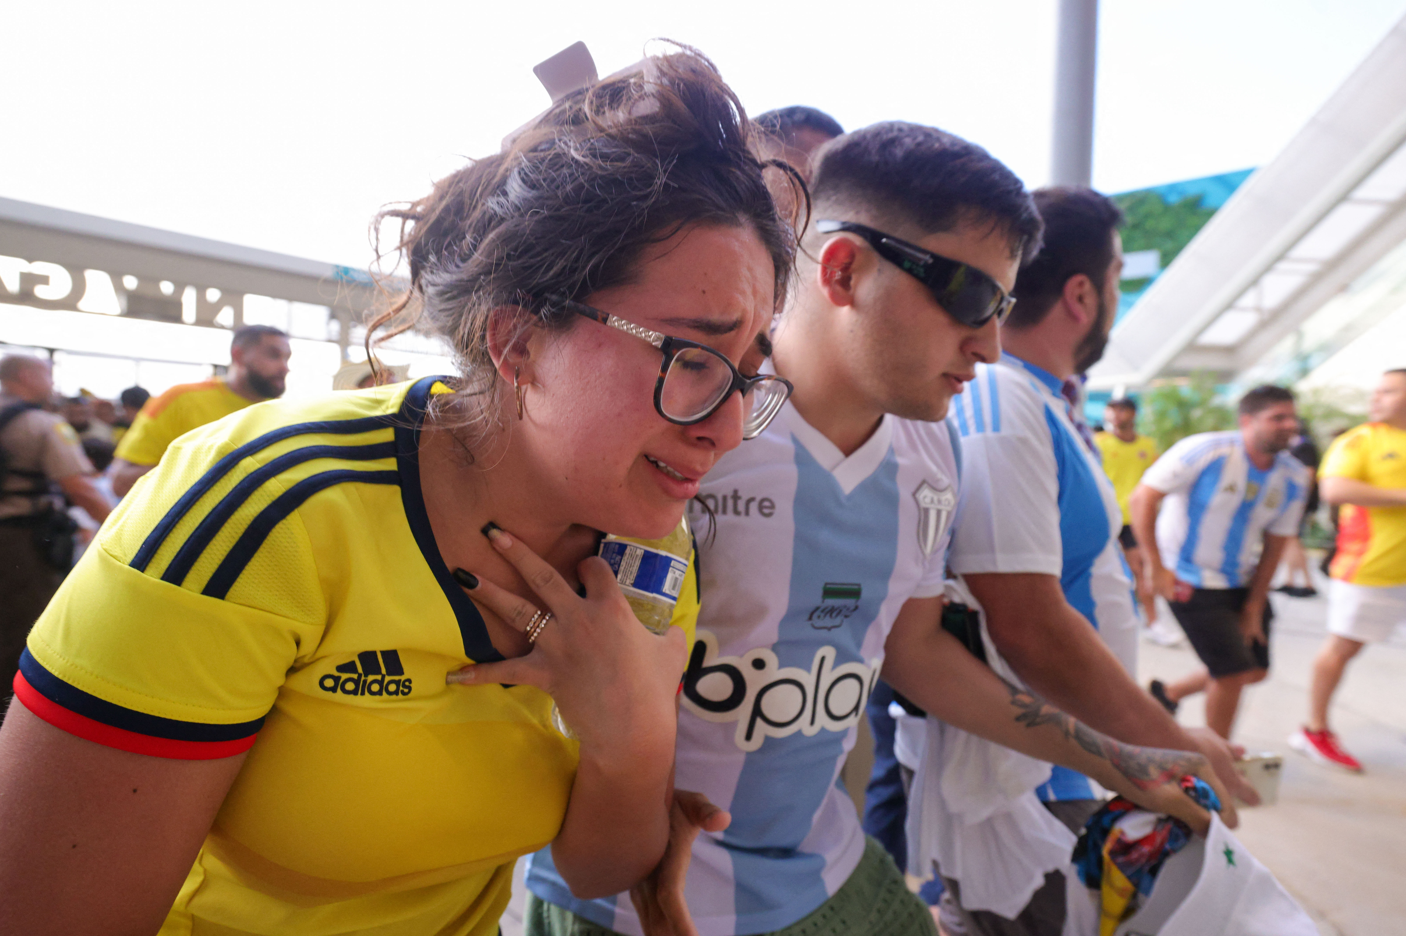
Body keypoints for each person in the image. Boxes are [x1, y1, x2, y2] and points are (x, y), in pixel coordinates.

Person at [0, 48, 795, 936]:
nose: (725, 429)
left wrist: (633, 732)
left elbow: (600, 864)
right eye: (692, 359)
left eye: (750, 375)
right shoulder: (270, 510)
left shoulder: (650, 548)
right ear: (519, 342)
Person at [525, 124, 1230, 936]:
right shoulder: (690, 419)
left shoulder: (934, 446)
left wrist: (1123, 761)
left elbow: (915, 648)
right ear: (843, 268)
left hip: (830, 875)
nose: (991, 344)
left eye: (1002, 306)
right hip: (628, 899)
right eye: (970, 298)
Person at [938, 186, 1250, 936]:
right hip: (1040, 784)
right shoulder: (1004, 402)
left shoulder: (1042, 401)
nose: (1115, 297)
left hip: (1079, 765)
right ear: (1082, 293)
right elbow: (1027, 624)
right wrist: (1171, 746)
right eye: (1115, 280)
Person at [1131, 386, 1309, 739]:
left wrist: (1255, 604)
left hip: (1240, 581)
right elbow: (1143, 498)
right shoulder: (1207, 450)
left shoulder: (1293, 476)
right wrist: (1155, 566)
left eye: (1291, 417)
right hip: (1188, 578)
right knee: (1231, 673)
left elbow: (1276, 545)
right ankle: (1217, 762)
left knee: (1256, 669)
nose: (1289, 425)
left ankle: (1166, 695)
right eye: (1278, 417)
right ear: (1247, 420)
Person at [1291, 369, 1406, 772]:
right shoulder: (1359, 440)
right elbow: (1334, 490)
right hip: (1370, 568)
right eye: (1377, 390)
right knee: (1343, 648)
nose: (1377, 398)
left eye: (1389, 391)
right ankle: (1314, 729)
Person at [0, 355, 111, 704]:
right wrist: (117, 528)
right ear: (26, 375)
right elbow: (80, 487)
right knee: (22, 625)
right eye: (47, 374)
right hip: (18, 537)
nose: (51, 383)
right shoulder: (43, 423)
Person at [110, 325, 292, 497]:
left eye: (287, 358)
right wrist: (215, 469)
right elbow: (120, 482)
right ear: (239, 355)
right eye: (274, 356)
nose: (285, 368)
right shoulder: (179, 399)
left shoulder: (284, 415)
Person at [1095, 396, 1159, 624]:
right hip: (1104, 515)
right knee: (1103, 570)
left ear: (1132, 413)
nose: (1115, 414)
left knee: (1141, 568)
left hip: (1134, 518)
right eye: (1111, 409)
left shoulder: (1147, 445)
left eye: (1121, 410)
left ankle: (1153, 622)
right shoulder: (1097, 441)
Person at [1275, 423, 1321, 597]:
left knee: (1291, 539)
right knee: (1287, 540)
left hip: (1299, 502)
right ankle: (1290, 580)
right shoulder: (1297, 445)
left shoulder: (1305, 445)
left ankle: (1309, 583)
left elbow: (1309, 474)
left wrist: (1300, 502)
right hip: (1292, 501)